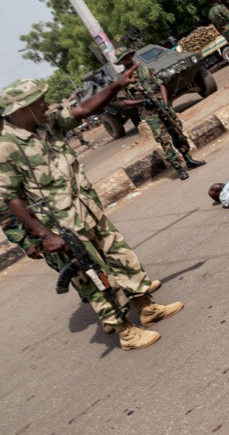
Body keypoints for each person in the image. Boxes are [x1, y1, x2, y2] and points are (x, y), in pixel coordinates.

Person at [0, 73, 184, 351]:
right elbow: (11, 198)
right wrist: (43, 234)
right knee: (96, 279)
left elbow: (84, 109)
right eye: (40, 101)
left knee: (123, 258)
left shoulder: (47, 123)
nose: (46, 104)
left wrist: (116, 86)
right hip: (61, 228)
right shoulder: (7, 147)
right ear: (23, 109)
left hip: (88, 210)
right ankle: (126, 332)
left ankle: (147, 308)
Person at [0, 202, 161, 335]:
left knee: (101, 265)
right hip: (43, 236)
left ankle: (130, 297)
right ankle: (109, 317)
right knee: (84, 278)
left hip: (61, 221)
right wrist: (26, 243)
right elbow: (6, 216)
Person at [114, 47, 205, 181]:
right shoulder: (123, 79)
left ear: (131, 55)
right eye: (123, 58)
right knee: (164, 139)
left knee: (177, 132)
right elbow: (123, 102)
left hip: (163, 106)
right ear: (121, 61)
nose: (127, 59)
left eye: (128, 56)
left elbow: (161, 84)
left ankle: (188, 159)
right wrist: (141, 101)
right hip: (149, 113)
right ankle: (178, 167)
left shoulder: (145, 69)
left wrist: (165, 103)